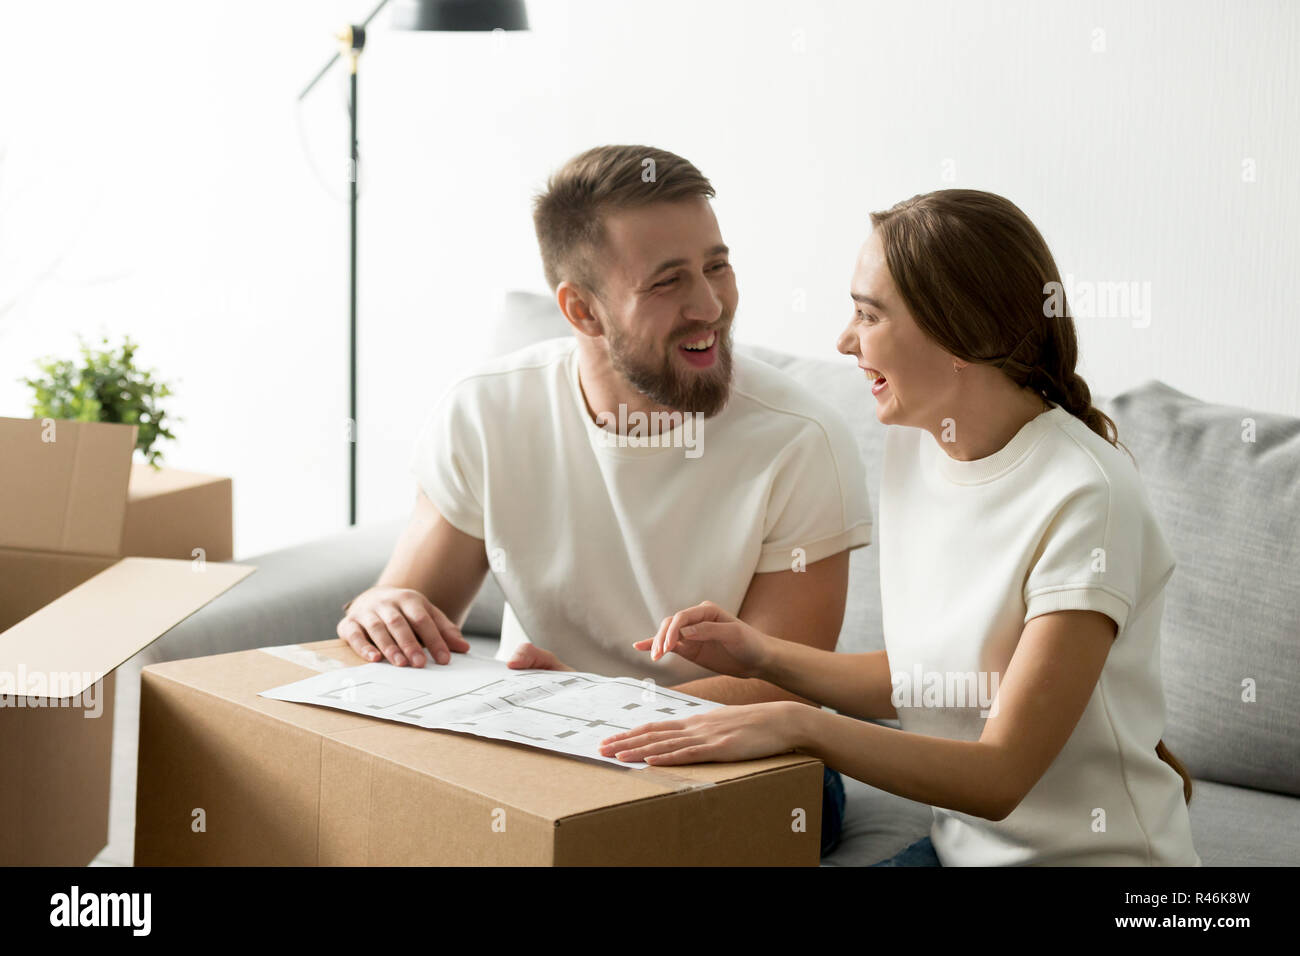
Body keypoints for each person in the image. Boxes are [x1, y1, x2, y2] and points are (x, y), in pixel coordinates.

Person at [599, 189, 1201, 867]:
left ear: (962, 335)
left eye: (867, 314)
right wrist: (759, 655)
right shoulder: (918, 443)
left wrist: (800, 723)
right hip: (959, 852)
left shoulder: (1088, 498)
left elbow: (1000, 777)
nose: (844, 340)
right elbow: (935, 677)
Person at [336, 145, 872, 855]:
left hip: (738, 757)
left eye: (717, 265)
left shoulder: (800, 440)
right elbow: (412, 611)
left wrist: (591, 708)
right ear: (580, 309)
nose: (710, 306)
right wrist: (380, 611)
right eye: (668, 282)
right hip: (542, 742)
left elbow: (785, 695)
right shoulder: (486, 412)